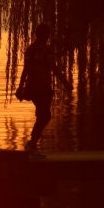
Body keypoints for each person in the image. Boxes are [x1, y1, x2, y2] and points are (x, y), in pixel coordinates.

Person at [17, 23, 72, 158]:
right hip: (42, 88)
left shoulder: (30, 49)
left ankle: (32, 144)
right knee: (45, 116)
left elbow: (26, 70)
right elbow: (54, 68)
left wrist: (20, 86)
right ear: (45, 35)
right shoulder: (46, 50)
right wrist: (65, 83)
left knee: (42, 115)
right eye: (47, 34)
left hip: (32, 88)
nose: (48, 37)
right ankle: (32, 144)